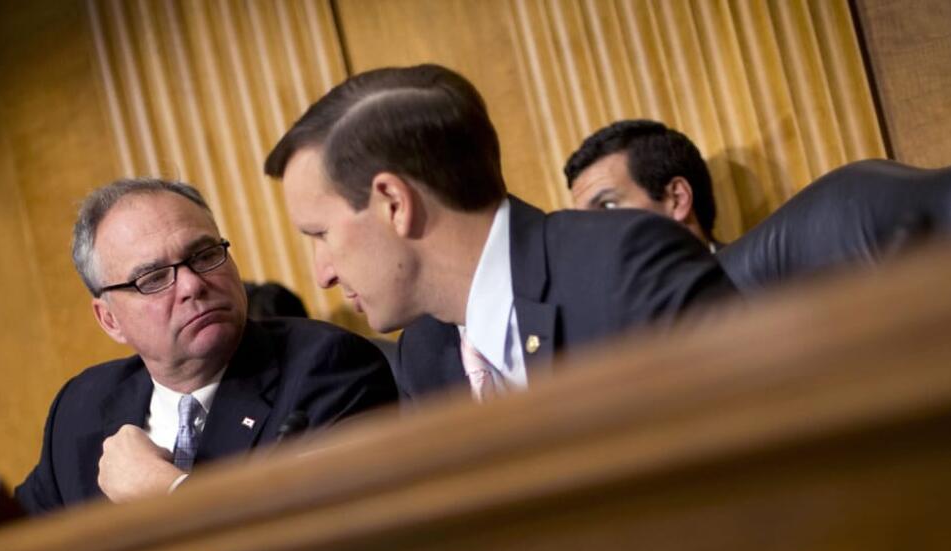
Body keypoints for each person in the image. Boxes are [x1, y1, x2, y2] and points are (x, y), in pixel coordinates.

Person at [264, 64, 735, 402]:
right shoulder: (424, 355)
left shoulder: (626, 264)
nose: (322, 274)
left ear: (394, 203)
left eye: (320, 234)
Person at [15, 178, 397, 514]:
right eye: (152, 278)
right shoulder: (80, 408)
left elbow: (327, 534)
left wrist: (168, 492)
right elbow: (15, 548)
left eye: (204, 256)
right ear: (109, 319)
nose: (192, 285)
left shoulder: (326, 367)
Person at [564, 119, 720, 249]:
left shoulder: (741, 281)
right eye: (582, 219)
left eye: (607, 206)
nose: (588, 234)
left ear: (677, 199)